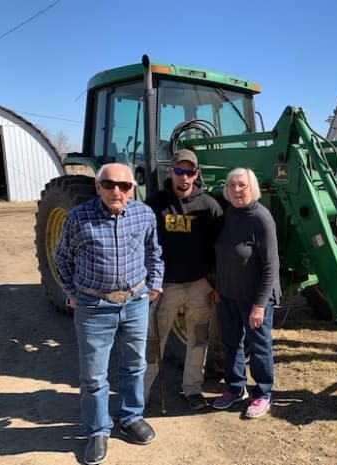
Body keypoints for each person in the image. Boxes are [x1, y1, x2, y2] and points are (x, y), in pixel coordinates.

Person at [55, 163, 164, 465]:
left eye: (124, 185)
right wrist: (72, 292)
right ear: (98, 186)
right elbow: (62, 257)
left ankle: (130, 417)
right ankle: (98, 430)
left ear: (132, 188)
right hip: (94, 307)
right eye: (110, 184)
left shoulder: (144, 214)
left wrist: (154, 284)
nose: (117, 191)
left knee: (134, 365)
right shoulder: (79, 217)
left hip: (135, 303)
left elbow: (154, 252)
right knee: (94, 375)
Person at [143, 149, 223, 411]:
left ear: (196, 174)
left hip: (199, 286)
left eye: (189, 172)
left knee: (199, 339)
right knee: (154, 341)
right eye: (179, 170)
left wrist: (216, 282)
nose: (184, 177)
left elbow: (220, 248)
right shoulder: (155, 205)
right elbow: (142, 244)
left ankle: (192, 389)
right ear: (170, 171)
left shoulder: (209, 206)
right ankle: (140, 394)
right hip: (165, 287)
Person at [212, 167, 281, 419]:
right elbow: (224, 254)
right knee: (231, 342)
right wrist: (220, 287)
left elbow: (272, 265)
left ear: (253, 188)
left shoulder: (261, 218)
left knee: (259, 345)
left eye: (242, 185)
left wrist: (260, 305)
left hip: (254, 297)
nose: (236, 190)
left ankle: (262, 393)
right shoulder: (229, 213)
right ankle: (234, 387)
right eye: (232, 185)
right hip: (229, 293)